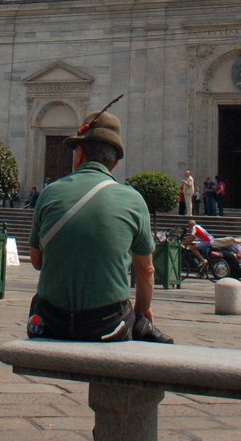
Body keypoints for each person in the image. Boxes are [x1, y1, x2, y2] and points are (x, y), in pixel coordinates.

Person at [28, 109, 168, 343]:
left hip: (52, 323)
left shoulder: (49, 193)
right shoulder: (133, 199)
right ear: (114, 162)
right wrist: (143, 312)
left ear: (79, 154)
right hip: (108, 325)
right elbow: (146, 270)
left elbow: (36, 261)